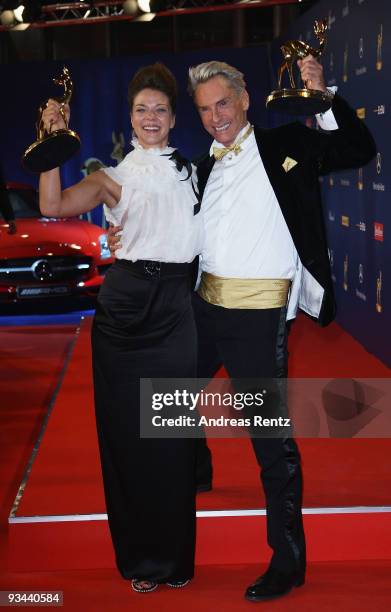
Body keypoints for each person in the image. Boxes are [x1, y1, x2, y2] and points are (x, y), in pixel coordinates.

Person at [108, 56, 376, 601]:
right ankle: (196, 468)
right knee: (168, 407)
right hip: (201, 310)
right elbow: (167, 226)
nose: (216, 118)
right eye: (205, 110)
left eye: (223, 103)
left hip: (258, 318)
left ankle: (288, 558)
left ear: (246, 98)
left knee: (270, 443)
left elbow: (357, 148)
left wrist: (322, 97)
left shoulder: (285, 147)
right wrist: (124, 239)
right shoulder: (197, 167)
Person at [39, 63, 203, 594]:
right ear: (129, 119)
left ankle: (175, 561)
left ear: (175, 118)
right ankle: (140, 561)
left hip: (177, 307)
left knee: (172, 437)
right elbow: (52, 204)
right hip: (125, 312)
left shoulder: (196, 172)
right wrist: (50, 146)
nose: (150, 117)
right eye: (141, 109)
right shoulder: (114, 178)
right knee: (127, 440)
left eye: (159, 109)